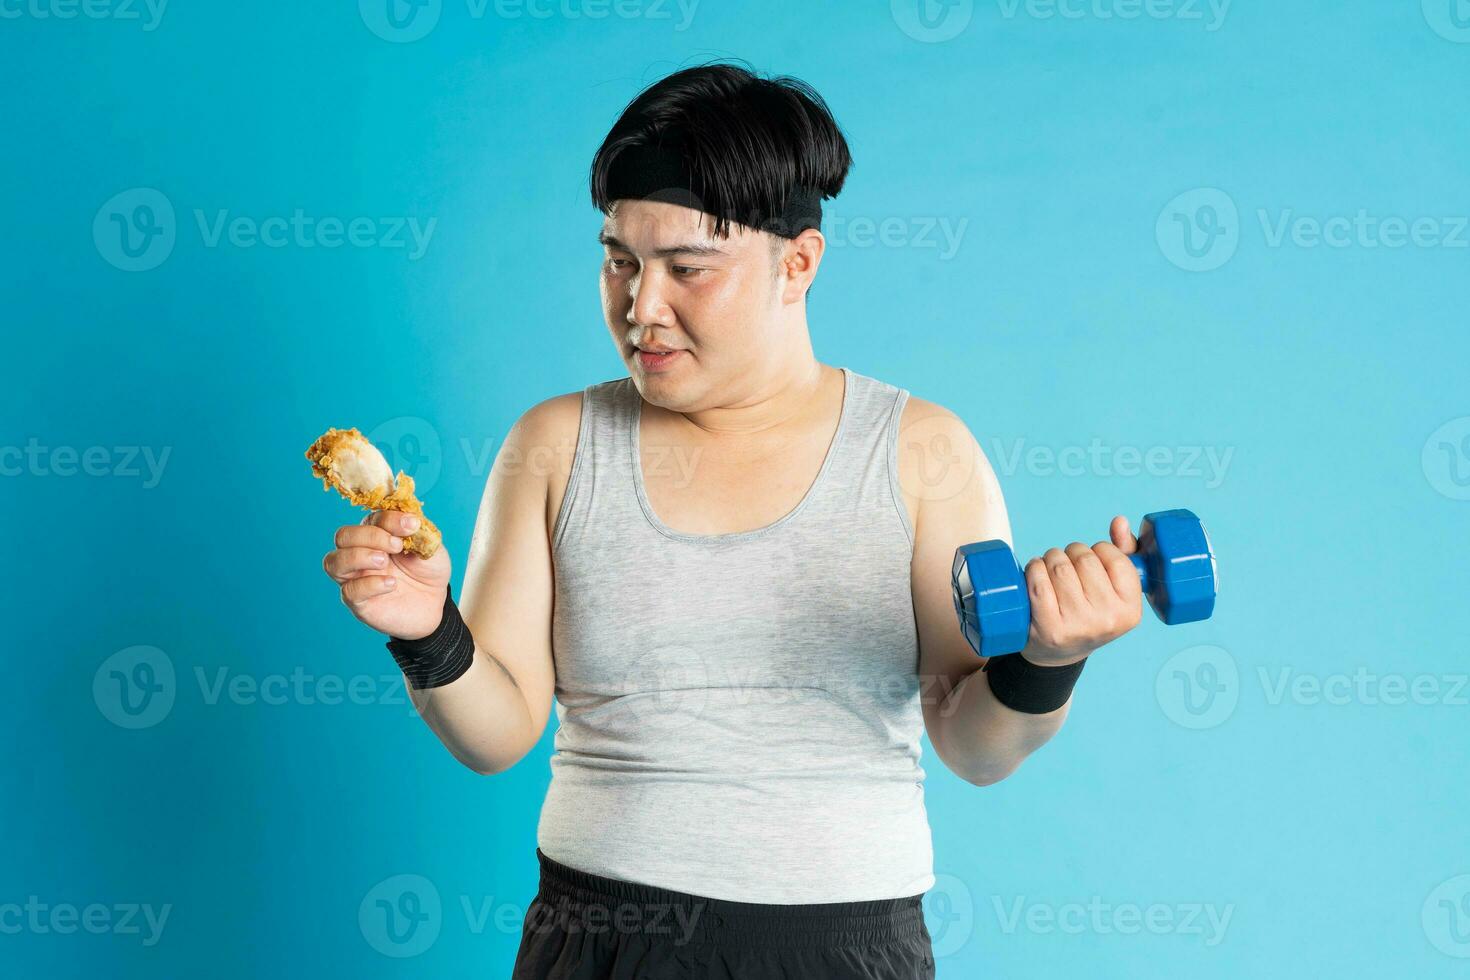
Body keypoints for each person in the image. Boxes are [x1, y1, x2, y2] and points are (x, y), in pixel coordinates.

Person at [320, 59, 1146, 980]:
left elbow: (974, 745)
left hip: (838, 948)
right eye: (619, 261)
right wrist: (428, 632)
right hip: (597, 942)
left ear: (798, 262)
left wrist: (1049, 659)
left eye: (687, 269)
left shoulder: (921, 453)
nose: (641, 308)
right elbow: (498, 732)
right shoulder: (553, 445)